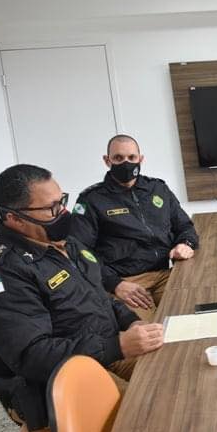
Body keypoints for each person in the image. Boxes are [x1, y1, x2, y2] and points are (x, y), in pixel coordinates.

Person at [0, 164, 164, 432]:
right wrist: (117, 346)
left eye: (62, 201)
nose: (63, 213)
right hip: (59, 376)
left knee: (174, 373)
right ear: (14, 218)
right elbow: (33, 356)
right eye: (51, 208)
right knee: (152, 414)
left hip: (106, 349)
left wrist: (131, 322)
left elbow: (100, 296)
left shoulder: (64, 244)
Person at [70, 134, 198, 321]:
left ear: (141, 159)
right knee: (149, 333)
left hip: (166, 273)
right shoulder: (91, 199)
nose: (126, 163)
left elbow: (185, 226)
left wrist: (185, 244)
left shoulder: (158, 189)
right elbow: (78, 250)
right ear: (107, 161)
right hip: (127, 282)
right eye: (118, 158)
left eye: (131, 157)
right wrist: (114, 284)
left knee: (192, 317)